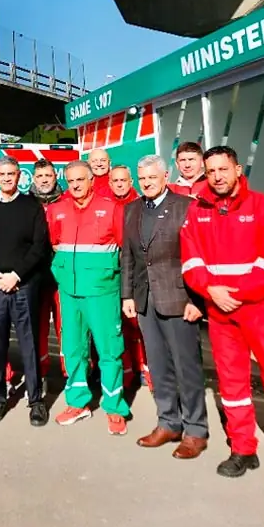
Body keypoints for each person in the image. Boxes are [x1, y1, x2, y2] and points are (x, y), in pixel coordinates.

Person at [180, 146, 264, 498]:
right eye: (211, 171)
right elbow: (190, 260)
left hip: (262, 311)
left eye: (223, 169)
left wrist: (234, 293)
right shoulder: (197, 210)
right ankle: (243, 448)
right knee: (231, 384)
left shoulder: (263, 207)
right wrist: (210, 289)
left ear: (238, 169)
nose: (217, 177)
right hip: (220, 312)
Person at [121, 155, 208, 458]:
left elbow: (200, 256)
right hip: (145, 300)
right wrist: (127, 296)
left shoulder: (186, 207)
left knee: (187, 368)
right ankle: (168, 422)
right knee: (158, 366)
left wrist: (198, 300)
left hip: (180, 300)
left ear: (166, 176)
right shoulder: (132, 209)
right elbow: (128, 256)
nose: (146, 183)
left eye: (152, 177)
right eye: (142, 178)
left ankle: (195, 430)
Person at [48, 160, 131, 435]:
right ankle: (78, 402)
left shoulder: (112, 208)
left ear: (92, 180)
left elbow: (125, 250)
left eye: (80, 180)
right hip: (69, 292)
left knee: (109, 351)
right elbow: (54, 243)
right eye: (70, 181)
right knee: (73, 349)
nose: (75, 185)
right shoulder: (58, 209)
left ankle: (114, 407)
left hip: (102, 292)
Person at [0, 155, 51, 426]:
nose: (7, 178)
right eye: (2, 174)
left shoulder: (32, 206)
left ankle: (36, 400)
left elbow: (39, 246)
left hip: (24, 283)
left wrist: (16, 275)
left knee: (29, 342)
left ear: (19, 176)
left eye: (11, 173)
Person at [108, 163, 145, 390]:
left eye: (124, 180)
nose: (120, 185)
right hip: (112, 274)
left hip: (137, 273)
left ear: (131, 182)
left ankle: (144, 371)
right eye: (116, 181)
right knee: (117, 327)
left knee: (138, 325)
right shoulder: (107, 206)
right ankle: (126, 372)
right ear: (110, 183)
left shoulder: (142, 204)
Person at [29, 158, 64, 380]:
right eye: (40, 176)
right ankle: (39, 375)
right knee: (37, 328)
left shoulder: (67, 200)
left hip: (63, 277)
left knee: (67, 328)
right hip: (35, 276)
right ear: (33, 178)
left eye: (48, 175)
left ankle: (72, 375)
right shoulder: (25, 203)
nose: (44, 180)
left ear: (55, 176)